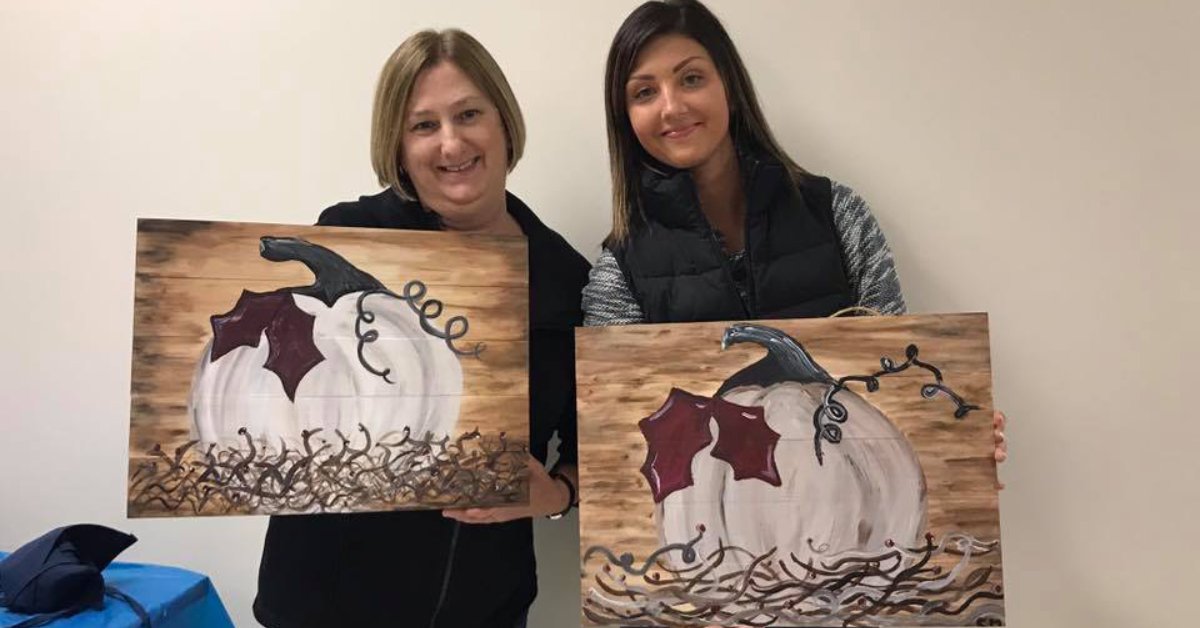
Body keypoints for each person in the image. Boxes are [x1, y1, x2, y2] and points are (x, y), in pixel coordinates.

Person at [253, 28, 589, 628]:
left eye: (468, 114)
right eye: (424, 125)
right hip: (324, 601)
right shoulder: (349, 238)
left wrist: (557, 495)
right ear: (400, 146)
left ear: (504, 124)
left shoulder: (566, 277)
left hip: (484, 603)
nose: (452, 142)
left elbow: (595, 442)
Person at [581, 0, 1008, 455]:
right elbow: (624, 449)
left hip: (846, 510)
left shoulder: (838, 215)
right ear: (624, 115)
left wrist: (961, 452)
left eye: (691, 78)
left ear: (729, 85)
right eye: (644, 92)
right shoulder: (619, 271)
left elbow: (897, 382)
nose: (672, 106)